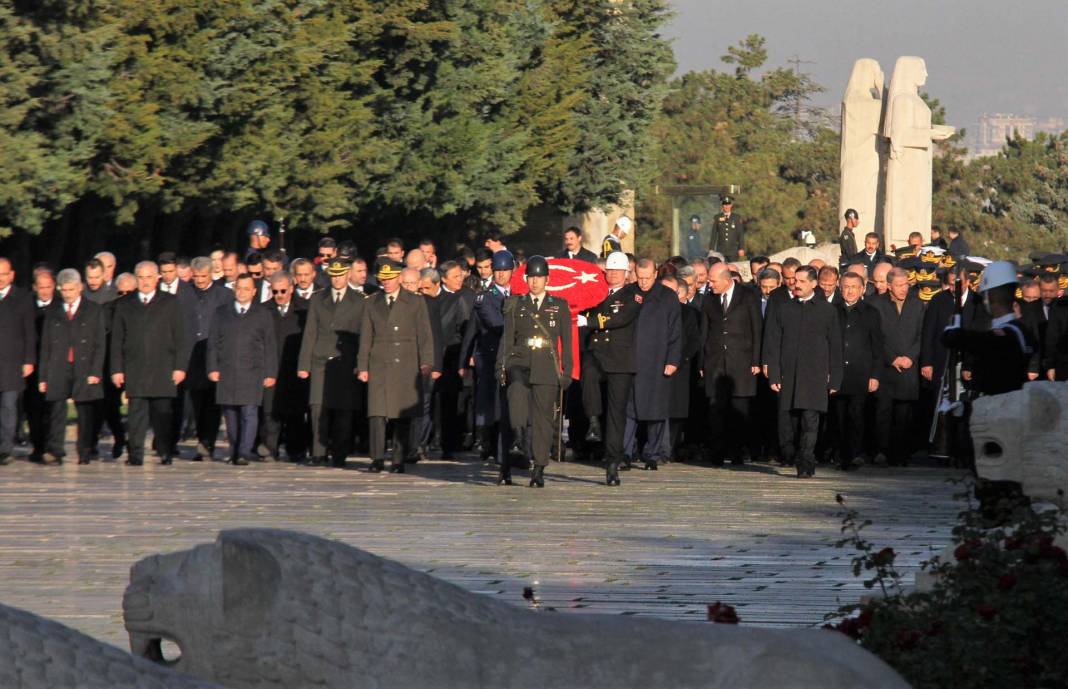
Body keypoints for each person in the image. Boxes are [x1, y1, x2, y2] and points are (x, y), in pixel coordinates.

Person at [497, 256, 573, 487]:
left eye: (539, 277)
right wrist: (500, 367)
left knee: (543, 419)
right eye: (531, 277)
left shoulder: (558, 306)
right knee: (516, 392)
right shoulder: (515, 304)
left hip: (547, 365)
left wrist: (567, 371)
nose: (535, 282)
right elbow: (507, 339)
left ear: (547, 279)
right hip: (519, 360)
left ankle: (539, 467)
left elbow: (567, 343)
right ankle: (518, 439)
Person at [763, 266, 843, 478]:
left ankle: (806, 462)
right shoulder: (784, 308)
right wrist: (774, 374)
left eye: (801, 281)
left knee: (811, 421)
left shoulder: (827, 311)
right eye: (795, 280)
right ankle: (791, 454)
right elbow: (774, 343)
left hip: (814, 376)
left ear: (814, 284)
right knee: (789, 423)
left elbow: (835, 346)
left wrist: (835, 378)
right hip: (788, 375)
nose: (796, 284)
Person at [357, 260, 436, 474]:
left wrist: (426, 361)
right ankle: (377, 458)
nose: (387, 283)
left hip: (406, 361)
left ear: (399, 278)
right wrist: (362, 365)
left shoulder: (415, 301)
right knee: (377, 414)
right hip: (379, 361)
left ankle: (399, 458)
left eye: (391, 278)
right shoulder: (371, 302)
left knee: (402, 414)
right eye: (384, 279)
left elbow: (425, 334)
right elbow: (365, 337)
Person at [110, 261, 191, 466]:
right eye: (141, 277)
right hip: (135, 368)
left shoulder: (170, 302)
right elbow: (117, 339)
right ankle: (135, 454)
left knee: (162, 415)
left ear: (157, 278)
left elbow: (181, 336)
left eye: (149, 277)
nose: (145, 282)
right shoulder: (125, 304)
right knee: (136, 416)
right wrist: (117, 369)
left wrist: (180, 367)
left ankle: (165, 451)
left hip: (163, 368)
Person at [298, 259, 367, 467]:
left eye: (341, 274)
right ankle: (318, 452)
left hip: (345, 362)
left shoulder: (360, 300)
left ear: (348, 275)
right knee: (318, 409)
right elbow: (310, 333)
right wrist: (304, 364)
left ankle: (340, 454)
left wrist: (361, 364)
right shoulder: (318, 298)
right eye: (333, 275)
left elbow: (363, 336)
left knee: (343, 411)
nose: (337, 279)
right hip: (320, 360)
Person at [36, 269, 106, 465]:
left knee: (84, 410)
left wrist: (95, 371)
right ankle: (55, 450)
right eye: (64, 290)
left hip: (84, 366)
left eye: (71, 289)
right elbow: (46, 346)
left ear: (80, 288)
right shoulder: (53, 312)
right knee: (57, 409)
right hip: (59, 366)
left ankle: (85, 450)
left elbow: (100, 344)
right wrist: (43, 377)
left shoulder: (93, 310)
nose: (67, 294)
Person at [207, 274, 277, 466]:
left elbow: (270, 345)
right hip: (227, 370)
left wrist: (271, 373)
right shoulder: (221, 312)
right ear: (234, 289)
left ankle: (244, 451)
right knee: (230, 413)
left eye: (247, 288)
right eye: (239, 288)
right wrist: (212, 367)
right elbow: (213, 342)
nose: (242, 292)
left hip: (253, 371)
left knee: (249, 412)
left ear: (254, 292)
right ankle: (235, 449)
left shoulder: (262, 314)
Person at [584, 252, 641, 485]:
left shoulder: (633, 295)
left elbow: (620, 318)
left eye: (618, 271)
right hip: (597, 353)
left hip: (620, 358)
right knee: (588, 375)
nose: (614, 274)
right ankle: (594, 421)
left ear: (627, 274)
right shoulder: (596, 291)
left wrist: (589, 321)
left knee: (616, 413)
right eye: (610, 270)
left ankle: (612, 461)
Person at [700, 261, 762, 465]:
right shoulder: (709, 300)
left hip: (742, 361)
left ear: (727, 280)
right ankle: (716, 453)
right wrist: (702, 362)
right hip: (715, 361)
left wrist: (756, 360)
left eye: (713, 280)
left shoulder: (748, 296)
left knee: (739, 408)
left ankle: (737, 452)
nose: (710, 284)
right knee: (715, 409)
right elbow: (704, 333)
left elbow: (757, 330)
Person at [624, 259, 681, 471]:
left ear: (655, 274)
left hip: (658, 361)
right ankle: (625, 453)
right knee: (629, 410)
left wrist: (673, 360)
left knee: (655, 411)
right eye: (640, 277)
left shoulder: (667, 296)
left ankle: (652, 454)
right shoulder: (628, 293)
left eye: (647, 278)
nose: (644, 282)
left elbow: (676, 331)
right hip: (631, 361)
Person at [459, 250, 514, 463]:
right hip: (492, 356)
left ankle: (511, 448)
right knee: (492, 405)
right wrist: (464, 360)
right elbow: (493, 324)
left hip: (513, 357)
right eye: (497, 270)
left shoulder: (519, 294)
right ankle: (492, 446)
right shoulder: (485, 297)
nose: (500, 275)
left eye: (504, 270)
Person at [871, 267, 924, 466]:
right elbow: (875, 337)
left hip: (908, 367)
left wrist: (910, 357)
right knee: (882, 412)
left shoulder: (918, 305)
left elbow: (922, 335)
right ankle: (881, 451)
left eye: (906, 285)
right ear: (889, 286)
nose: (904, 289)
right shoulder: (876, 304)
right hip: (885, 367)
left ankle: (900, 453)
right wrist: (891, 358)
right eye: (899, 285)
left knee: (904, 413)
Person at [179, 256, 230, 460]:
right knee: (196, 401)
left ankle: (207, 441)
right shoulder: (184, 294)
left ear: (211, 274)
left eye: (204, 276)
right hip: (192, 354)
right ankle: (201, 438)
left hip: (215, 352)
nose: (200, 280)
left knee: (213, 402)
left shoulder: (224, 294)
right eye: (197, 276)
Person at [834, 272, 883, 470]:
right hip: (837, 373)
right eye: (846, 286)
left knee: (857, 416)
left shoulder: (871, 313)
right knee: (837, 416)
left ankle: (855, 453)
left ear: (862, 289)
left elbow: (877, 346)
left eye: (854, 287)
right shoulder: (833, 311)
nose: (850, 290)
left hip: (861, 373)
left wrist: (875, 375)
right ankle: (839, 453)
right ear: (840, 288)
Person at [261, 271, 310, 462]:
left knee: (296, 413)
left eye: (283, 290)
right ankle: (269, 449)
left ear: (291, 288)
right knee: (270, 412)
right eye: (275, 292)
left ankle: (296, 449)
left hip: (295, 367)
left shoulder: (304, 310)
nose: (279, 295)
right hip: (271, 367)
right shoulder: (263, 310)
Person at [0, 258, 37, 465]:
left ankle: (5, 449)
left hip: (12, 363)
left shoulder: (22, 298)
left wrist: (29, 360)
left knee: (8, 406)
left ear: (11, 275)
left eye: (3, 274)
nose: (0, 279)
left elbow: (29, 332)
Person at [25, 269, 55, 463]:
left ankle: (52, 446)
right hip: (33, 364)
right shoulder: (27, 306)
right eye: (41, 287)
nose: (45, 291)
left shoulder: (60, 306)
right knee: (33, 408)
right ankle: (38, 445)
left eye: (48, 287)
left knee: (52, 408)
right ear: (35, 288)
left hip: (54, 365)